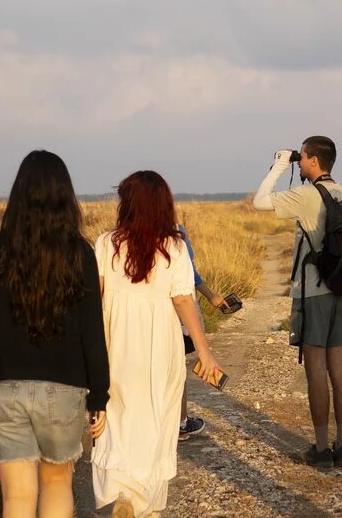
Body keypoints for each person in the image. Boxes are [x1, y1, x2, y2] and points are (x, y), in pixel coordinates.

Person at [0, 150, 109, 518]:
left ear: (17, 195)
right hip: (63, 389)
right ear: (66, 197)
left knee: (16, 497)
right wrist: (100, 396)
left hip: (4, 385)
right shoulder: (80, 253)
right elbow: (93, 332)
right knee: (57, 484)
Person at [92, 171, 221, 518]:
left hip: (114, 341)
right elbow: (184, 302)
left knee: (117, 418)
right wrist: (205, 352)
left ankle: (122, 494)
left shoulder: (106, 243)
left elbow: (94, 297)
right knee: (157, 417)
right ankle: (145, 505)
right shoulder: (174, 247)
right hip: (159, 346)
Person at [253, 136, 342, 467]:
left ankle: (321, 448)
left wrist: (280, 164)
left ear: (313, 161)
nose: (300, 162)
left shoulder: (306, 194)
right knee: (338, 365)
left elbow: (259, 202)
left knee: (315, 367)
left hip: (314, 290)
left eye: (303, 157)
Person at [177, 224, 230, 441]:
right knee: (176, 369)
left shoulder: (115, 240)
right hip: (175, 314)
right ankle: (180, 423)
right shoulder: (176, 234)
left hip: (137, 319)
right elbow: (189, 273)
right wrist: (210, 295)